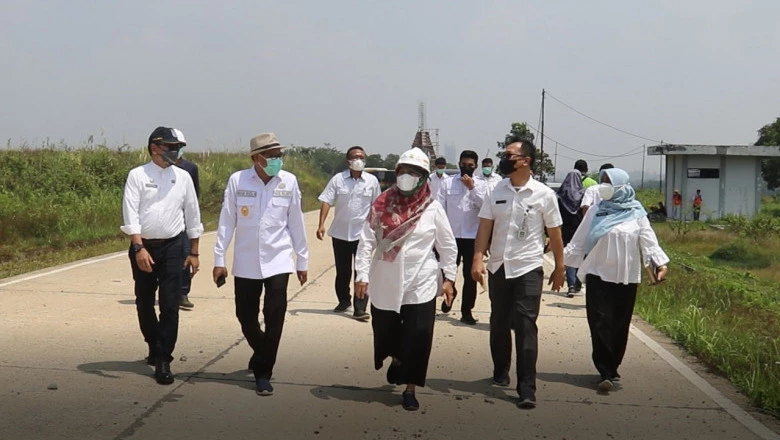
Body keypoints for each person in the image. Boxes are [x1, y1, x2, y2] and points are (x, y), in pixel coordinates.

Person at [354, 147, 458, 411]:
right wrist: (361, 275)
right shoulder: (380, 205)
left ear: (424, 178)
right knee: (386, 329)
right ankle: (397, 357)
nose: (406, 177)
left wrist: (449, 279)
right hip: (385, 279)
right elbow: (366, 242)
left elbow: (447, 246)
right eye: (402, 171)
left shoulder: (433, 209)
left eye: (413, 173)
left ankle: (410, 388)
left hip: (420, 282)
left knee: (419, 334)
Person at [471, 137, 565, 409]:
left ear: (525, 161)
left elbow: (556, 234)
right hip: (499, 266)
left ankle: (527, 387)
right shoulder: (496, 191)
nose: (505, 158)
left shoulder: (543, 194)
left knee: (525, 325)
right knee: (499, 322)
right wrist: (477, 258)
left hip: (528, 268)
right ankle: (501, 370)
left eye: (510, 155)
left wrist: (559, 267)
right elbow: (484, 228)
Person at [212, 132, 309, 396]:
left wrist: (302, 259)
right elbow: (226, 221)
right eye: (272, 155)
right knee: (245, 316)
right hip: (245, 261)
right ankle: (262, 351)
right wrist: (219, 259)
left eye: (280, 155)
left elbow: (296, 222)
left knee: (274, 315)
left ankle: (263, 372)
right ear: (257, 158)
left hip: (278, 260)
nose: (278, 159)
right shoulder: (238, 180)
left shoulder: (288, 181)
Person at [563, 168, 669, 392]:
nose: (603, 186)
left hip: (626, 277)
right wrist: (560, 262)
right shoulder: (595, 212)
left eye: (607, 182)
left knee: (619, 324)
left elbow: (649, 242)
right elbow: (579, 240)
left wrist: (660, 263)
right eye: (601, 181)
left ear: (621, 186)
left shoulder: (637, 213)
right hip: (598, 274)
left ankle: (613, 364)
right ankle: (605, 370)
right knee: (600, 322)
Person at [121, 126, 203, 385]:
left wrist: (194, 251)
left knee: (169, 303)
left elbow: (192, 214)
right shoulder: (137, 175)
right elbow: (130, 212)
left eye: (178, 147)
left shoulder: (183, 177)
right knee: (144, 300)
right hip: (144, 246)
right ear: (155, 147)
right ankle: (153, 343)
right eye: (170, 146)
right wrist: (138, 247)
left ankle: (164, 358)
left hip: (173, 246)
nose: (175, 151)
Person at [316, 145, 381, 320]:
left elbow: (377, 207)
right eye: (355, 157)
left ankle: (360, 308)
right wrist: (321, 224)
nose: (358, 160)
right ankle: (344, 300)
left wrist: (379, 230)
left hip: (363, 235)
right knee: (343, 271)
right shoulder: (338, 180)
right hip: (341, 233)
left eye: (361, 157)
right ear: (348, 161)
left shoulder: (371, 181)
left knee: (362, 269)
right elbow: (326, 201)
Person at [436, 150, 489, 324]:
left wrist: (472, 188)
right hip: (450, 236)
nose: (467, 168)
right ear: (459, 163)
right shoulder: (447, 183)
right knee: (446, 271)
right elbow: (440, 209)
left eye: (471, 165)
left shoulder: (482, 185)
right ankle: (449, 295)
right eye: (464, 164)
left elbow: (485, 208)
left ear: (476, 166)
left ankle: (467, 311)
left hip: (472, 236)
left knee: (470, 275)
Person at [175, 149, 200, 309]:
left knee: (185, 254)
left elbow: (195, 195)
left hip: (184, 219)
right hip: (167, 219)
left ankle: (183, 293)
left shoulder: (190, 168)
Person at [557, 168, 585, 297]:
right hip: (579, 230)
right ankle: (577, 282)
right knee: (578, 255)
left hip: (565, 229)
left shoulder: (561, 196)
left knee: (568, 255)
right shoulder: (583, 196)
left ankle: (571, 285)